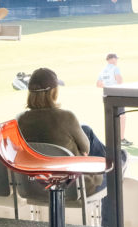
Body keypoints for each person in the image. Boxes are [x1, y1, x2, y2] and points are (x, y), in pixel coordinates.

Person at [17, 67, 107, 196]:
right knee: (116, 173)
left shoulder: (20, 120)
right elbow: (86, 148)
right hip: (74, 187)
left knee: (86, 129)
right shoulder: (66, 117)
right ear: (53, 92)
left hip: (36, 187)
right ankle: (111, 165)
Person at [96, 53, 131, 146]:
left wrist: (108, 85)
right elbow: (119, 81)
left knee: (110, 116)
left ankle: (111, 139)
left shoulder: (103, 70)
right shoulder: (115, 68)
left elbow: (98, 84)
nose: (117, 61)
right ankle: (121, 138)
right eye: (116, 59)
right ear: (113, 59)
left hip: (107, 95)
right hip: (116, 94)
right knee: (122, 116)